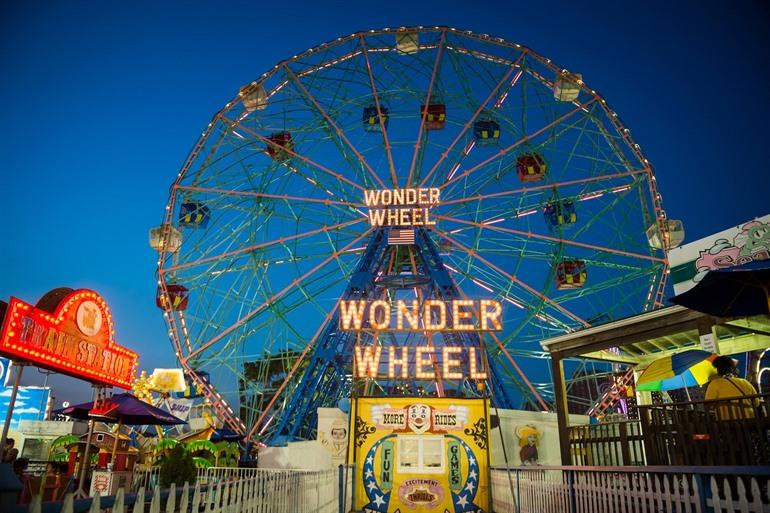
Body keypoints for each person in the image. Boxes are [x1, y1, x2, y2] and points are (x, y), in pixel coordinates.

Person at [705, 356, 759, 420]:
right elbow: (756, 403)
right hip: (749, 420)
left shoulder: (714, 383)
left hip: (727, 422)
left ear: (718, 370)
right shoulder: (745, 382)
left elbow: (708, 404)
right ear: (732, 369)